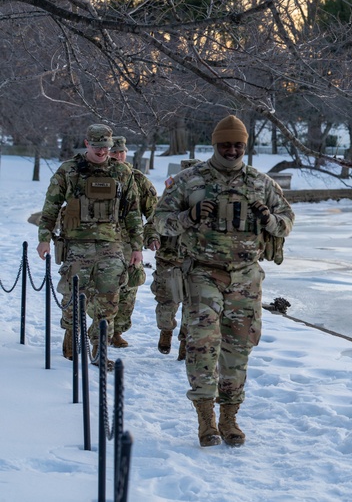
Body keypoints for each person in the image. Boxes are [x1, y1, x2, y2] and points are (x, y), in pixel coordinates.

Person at [154, 115, 294, 447]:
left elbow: (287, 220)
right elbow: (160, 221)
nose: (232, 150)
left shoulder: (260, 182)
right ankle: (206, 419)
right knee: (202, 343)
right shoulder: (189, 180)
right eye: (225, 145)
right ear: (215, 144)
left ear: (245, 146)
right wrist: (188, 217)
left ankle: (229, 418)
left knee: (238, 346)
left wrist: (269, 220)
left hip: (245, 277)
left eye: (238, 145)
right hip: (203, 272)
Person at [36, 124, 144, 366]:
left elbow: (133, 211)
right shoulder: (69, 170)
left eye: (105, 147)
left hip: (111, 246)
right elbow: (51, 206)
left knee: (109, 299)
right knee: (73, 297)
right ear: (87, 143)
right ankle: (71, 336)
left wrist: (137, 246)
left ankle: (99, 349)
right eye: (96, 147)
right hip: (77, 246)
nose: (102, 151)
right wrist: (44, 238)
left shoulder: (122, 172)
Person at [108, 136, 159, 348]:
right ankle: (101, 327)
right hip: (104, 241)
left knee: (129, 287)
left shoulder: (137, 179)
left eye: (121, 152)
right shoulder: (97, 175)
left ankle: (117, 330)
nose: (118, 156)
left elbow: (153, 211)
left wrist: (151, 235)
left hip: (130, 242)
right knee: (103, 287)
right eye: (114, 152)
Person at [150, 158, 199, 360]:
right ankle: (166, 330)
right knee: (167, 303)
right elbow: (153, 222)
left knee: (192, 305)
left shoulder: (205, 203)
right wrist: (152, 237)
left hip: (195, 261)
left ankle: (185, 342)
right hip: (169, 259)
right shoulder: (169, 199)